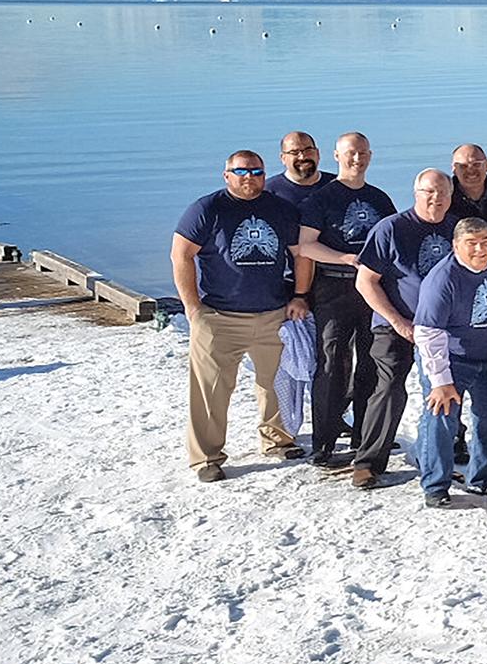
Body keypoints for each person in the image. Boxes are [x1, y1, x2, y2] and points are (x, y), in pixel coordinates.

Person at [173, 150, 308, 479]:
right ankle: (207, 458)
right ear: (227, 175)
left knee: (277, 382)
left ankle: (277, 439)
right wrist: (192, 307)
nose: (250, 178)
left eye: (257, 172)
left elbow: (302, 254)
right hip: (220, 315)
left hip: (273, 312)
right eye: (242, 172)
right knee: (211, 391)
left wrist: (300, 295)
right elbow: (181, 255)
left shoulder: (281, 209)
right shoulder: (207, 209)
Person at [345, 169, 457, 490]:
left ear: (450, 196)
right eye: (428, 192)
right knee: (389, 388)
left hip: (440, 328)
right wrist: (397, 321)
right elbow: (365, 281)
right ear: (416, 193)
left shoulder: (456, 229)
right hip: (394, 324)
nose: (435, 199)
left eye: (442, 193)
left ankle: (436, 459)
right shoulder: (391, 229)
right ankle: (368, 462)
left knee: (442, 389)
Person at [408, 217, 487, 507]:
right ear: (455, 245)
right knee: (442, 419)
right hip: (451, 361)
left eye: (485, 242)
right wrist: (440, 381)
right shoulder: (443, 279)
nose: (479, 249)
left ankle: (483, 479)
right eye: (471, 243)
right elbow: (427, 332)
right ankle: (436, 485)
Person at [293, 132, 394, 467]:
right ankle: (324, 441)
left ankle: (364, 435)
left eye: (363, 153)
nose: (357, 159)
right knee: (332, 364)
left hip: (374, 290)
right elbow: (306, 245)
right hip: (333, 287)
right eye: (351, 153)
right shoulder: (321, 199)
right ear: (336, 156)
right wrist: (345, 259)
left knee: (370, 361)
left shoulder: (379, 199)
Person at [265, 131, 333, 212]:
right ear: (283, 158)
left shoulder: (337, 185)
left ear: (317, 153)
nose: (302, 157)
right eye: (294, 152)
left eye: (308, 150)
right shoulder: (268, 192)